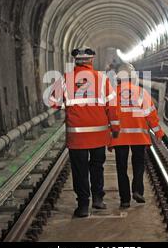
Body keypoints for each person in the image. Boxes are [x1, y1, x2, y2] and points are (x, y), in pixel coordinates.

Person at [49, 47, 120, 218]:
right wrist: (115, 128)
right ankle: (97, 199)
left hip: (77, 136)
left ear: (75, 61)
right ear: (92, 61)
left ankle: (82, 206)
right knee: (97, 166)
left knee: (79, 170)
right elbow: (113, 106)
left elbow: (53, 102)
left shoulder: (66, 79)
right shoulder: (102, 79)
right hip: (98, 135)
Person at [109, 63, 165, 209]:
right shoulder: (141, 93)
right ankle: (137, 190)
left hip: (119, 137)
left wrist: (108, 139)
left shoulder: (113, 94)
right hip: (139, 136)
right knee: (138, 164)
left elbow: (108, 117)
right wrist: (158, 132)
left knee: (121, 168)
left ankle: (125, 200)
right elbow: (151, 115)